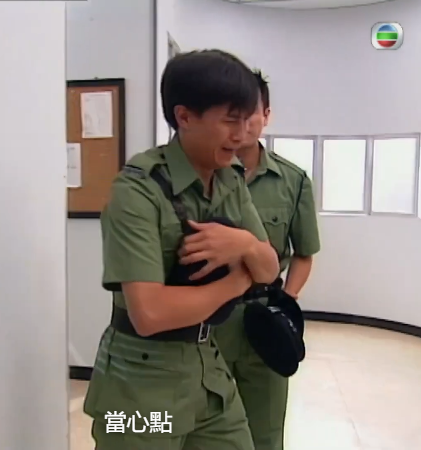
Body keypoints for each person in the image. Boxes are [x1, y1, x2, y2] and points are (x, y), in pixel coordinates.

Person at [82, 50, 281, 450]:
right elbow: (150, 314)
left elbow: (269, 268)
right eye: (230, 120)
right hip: (141, 383)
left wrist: (243, 244)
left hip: (207, 369)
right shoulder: (137, 191)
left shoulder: (229, 180)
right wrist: (237, 281)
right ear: (185, 116)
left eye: (247, 120)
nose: (242, 134)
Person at [213, 70, 321, 450]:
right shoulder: (204, 176)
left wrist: (285, 301)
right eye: (231, 114)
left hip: (264, 319)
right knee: (206, 425)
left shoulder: (293, 180)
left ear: (266, 115)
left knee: (266, 431)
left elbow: (305, 253)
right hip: (210, 319)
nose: (241, 124)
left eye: (250, 113)